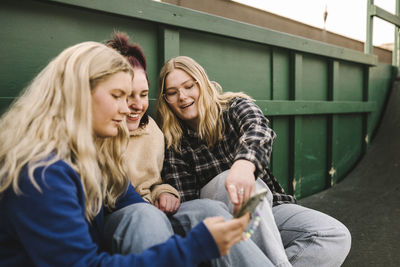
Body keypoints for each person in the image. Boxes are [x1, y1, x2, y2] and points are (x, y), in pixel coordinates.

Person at [0, 41, 267, 267]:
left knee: (205, 211)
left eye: (132, 96)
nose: (127, 108)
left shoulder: (94, 155)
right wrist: (196, 245)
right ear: (78, 93)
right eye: (117, 96)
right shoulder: (42, 172)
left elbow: (132, 202)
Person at [156, 55, 352, 267]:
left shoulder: (234, 107)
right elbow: (189, 204)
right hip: (220, 223)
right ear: (166, 99)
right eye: (172, 93)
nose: (182, 97)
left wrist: (245, 164)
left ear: (201, 83)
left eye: (188, 86)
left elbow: (258, 129)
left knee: (333, 235)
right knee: (227, 182)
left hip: (267, 208)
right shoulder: (173, 141)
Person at [105, 32, 180, 214]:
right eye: (128, 95)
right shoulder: (101, 135)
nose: (138, 105)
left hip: (152, 210)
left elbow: (154, 183)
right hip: (122, 215)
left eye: (144, 94)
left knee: (209, 208)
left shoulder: (153, 131)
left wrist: (164, 193)